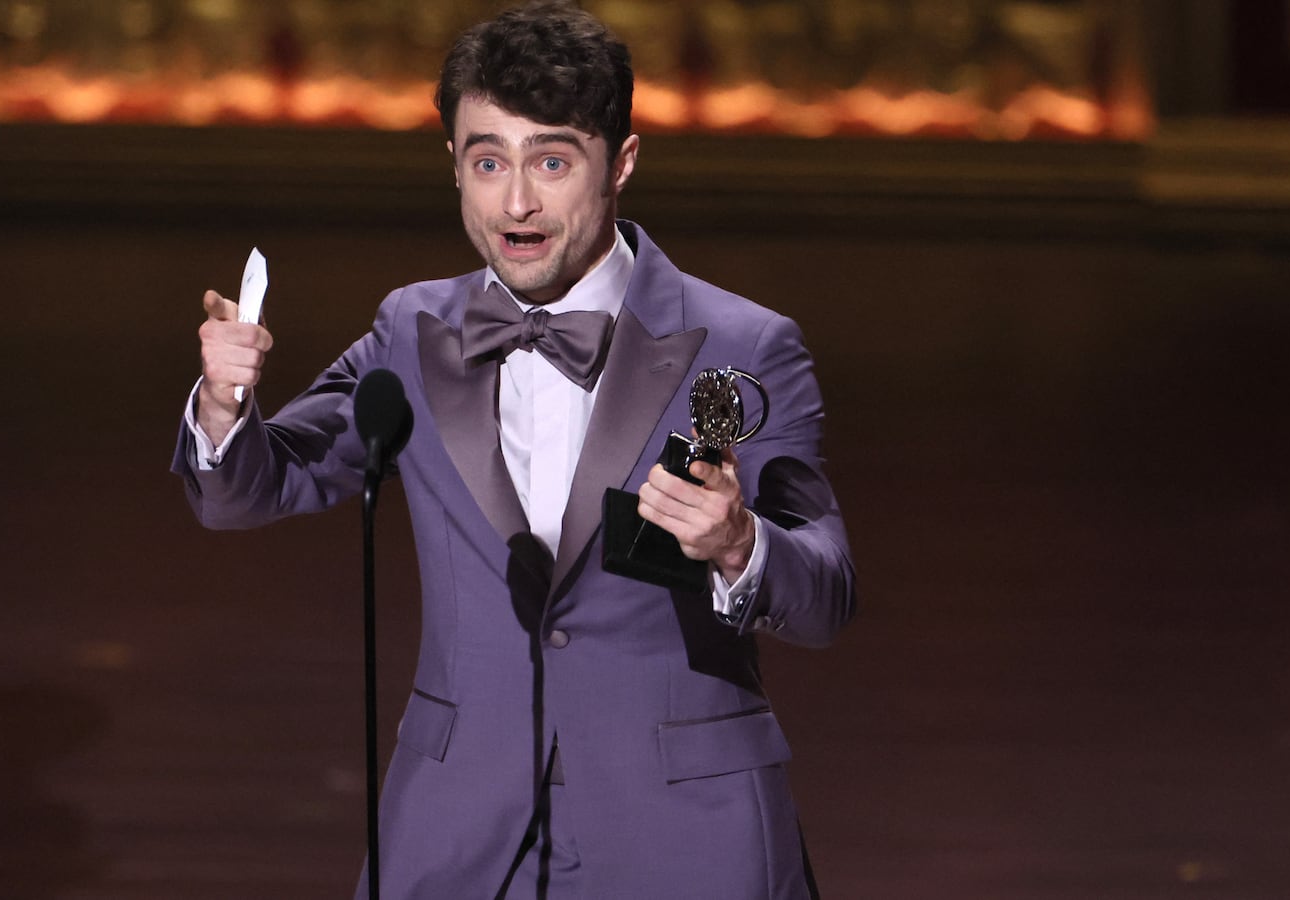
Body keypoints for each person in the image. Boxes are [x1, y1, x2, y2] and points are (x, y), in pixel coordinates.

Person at [171, 2, 856, 896]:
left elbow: (827, 592)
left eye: (553, 161)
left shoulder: (742, 344)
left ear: (623, 164)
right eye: (487, 161)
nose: (516, 201)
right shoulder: (412, 329)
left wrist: (740, 545)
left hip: (684, 833)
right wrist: (225, 408)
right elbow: (255, 488)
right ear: (453, 166)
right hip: (459, 830)